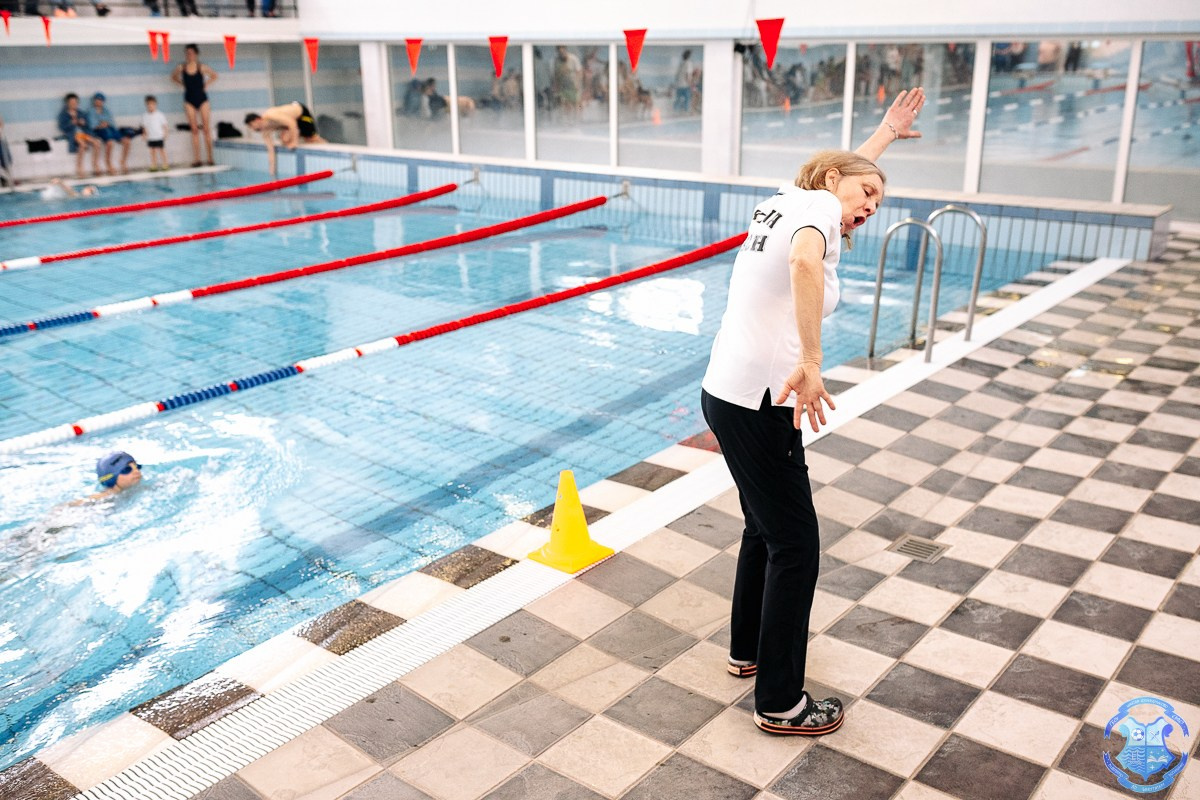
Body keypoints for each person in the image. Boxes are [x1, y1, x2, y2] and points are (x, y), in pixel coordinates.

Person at [700, 88, 925, 737]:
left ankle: (748, 652)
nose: (871, 208)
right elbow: (805, 258)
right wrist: (814, 359)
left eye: (878, 203)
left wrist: (884, 135)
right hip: (759, 402)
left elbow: (846, 174)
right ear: (832, 180)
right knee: (796, 545)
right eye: (868, 196)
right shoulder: (820, 210)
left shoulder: (792, 198)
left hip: (726, 391)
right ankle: (780, 703)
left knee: (763, 528)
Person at [244, 100, 326, 177]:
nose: (251, 128)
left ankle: (326, 145)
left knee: (310, 138)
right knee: (285, 140)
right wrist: (272, 172)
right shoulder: (265, 132)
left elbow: (292, 123)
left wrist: (294, 142)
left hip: (301, 113)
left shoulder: (271, 115)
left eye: (251, 125)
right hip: (290, 121)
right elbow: (271, 151)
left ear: (257, 120)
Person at [171, 44, 217, 168]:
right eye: (187, 53)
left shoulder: (201, 67)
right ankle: (197, 159)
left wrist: (206, 85)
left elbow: (214, 76)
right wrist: (182, 84)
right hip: (189, 100)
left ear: (196, 54)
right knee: (195, 130)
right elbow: (173, 77)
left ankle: (210, 158)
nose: (189, 55)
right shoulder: (181, 67)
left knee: (206, 129)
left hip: (202, 99)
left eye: (191, 53)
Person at [86, 92, 137, 175]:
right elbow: (92, 125)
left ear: (103, 101)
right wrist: (100, 125)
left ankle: (123, 162)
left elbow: (112, 123)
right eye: (97, 100)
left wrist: (106, 124)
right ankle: (108, 163)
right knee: (110, 143)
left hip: (110, 129)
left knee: (127, 141)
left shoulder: (106, 111)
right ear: (94, 101)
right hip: (99, 131)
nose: (99, 102)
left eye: (100, 100)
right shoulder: (90, 111)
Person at [70, 451, 142, 505]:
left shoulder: (137, 489)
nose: (136, 471)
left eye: (137, 467)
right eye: (127, 469)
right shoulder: (100, 498)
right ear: (111, 478)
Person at [56, 92, 96, 179]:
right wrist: (71, 123)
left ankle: (95, 165)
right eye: (72, 103)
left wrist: (83, 123)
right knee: (82, 144)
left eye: (75, 102)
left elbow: (88, 125)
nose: (74, 104)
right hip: (73, 134)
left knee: (97, 143)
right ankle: (79, 168)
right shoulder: (63, 114)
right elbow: (62, 127)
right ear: (67, 103)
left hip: (83, 133)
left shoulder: (81, 113)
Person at [142, 95, 169, 172]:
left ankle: (165, 164)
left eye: (152, 104)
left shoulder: (160, 114)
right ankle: (154, 165)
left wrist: (166, 133)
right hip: (151, 137)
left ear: (155, 104)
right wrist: (144, 135)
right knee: (152, 151)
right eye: (148, 104)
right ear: (146, 105)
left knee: (162, 150)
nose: (150, 106)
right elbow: (144, 127)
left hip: (159, 136)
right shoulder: (145, 116)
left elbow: (165, 125)